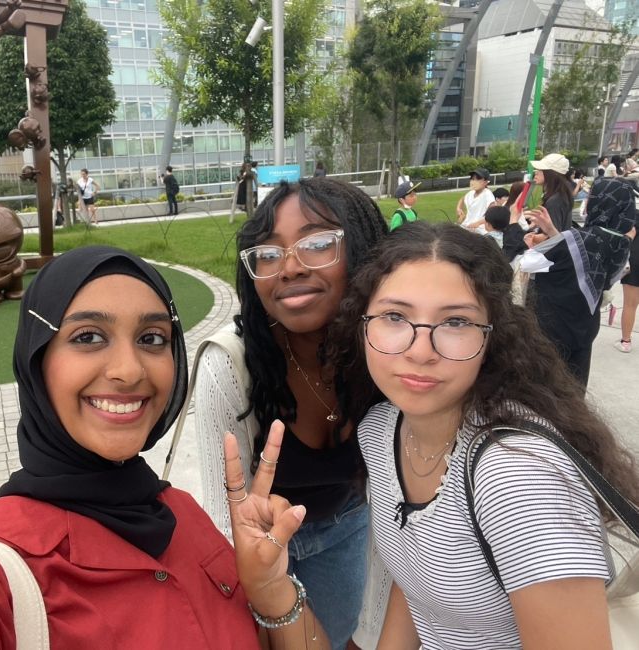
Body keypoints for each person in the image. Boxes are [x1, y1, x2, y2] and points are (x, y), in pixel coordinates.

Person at [0, 247, 282, 649]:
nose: (129, 371)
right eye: (88, 337)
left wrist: (271, 591)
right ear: (37, 360)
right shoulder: (1, 574)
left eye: (152, 338)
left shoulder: (182, 511)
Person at [327, 221, 639, 649]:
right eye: (395, 316)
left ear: (493, 335)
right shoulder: (381, 431)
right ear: (362, 324)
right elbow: (418, 582)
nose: (420, 351)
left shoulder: (518, 476)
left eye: (455, 321)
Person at [194, 177, 389, 649]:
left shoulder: (389, 350)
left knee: (338, 637)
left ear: (364, 253)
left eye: (318, 243)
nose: (290, 267)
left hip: (346, 524)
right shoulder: (231, 367)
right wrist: (259, 579)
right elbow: (226, 523)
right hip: (259, 544)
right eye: (268, 253)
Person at [520, 177, 636, 386]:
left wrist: (536, 244)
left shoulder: (582, 237)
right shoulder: (621, 240)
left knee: (547, 385)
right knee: (574, 382)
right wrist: (553, 232)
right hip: (585, 323)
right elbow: (578, 257)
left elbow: (530, 263)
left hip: (555, 322)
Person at [529, 153, 574, 232]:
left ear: (552, 174)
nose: (536, 173)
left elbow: (553, 236)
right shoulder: (560, 194)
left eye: (541, 170)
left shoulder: (554, 201)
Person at [615, 231, 639, 352]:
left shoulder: (633, 214)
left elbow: (630, 234)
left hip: (636, 258)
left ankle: (626, 342)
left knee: (630, 304)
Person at [456, 167, 494, 232]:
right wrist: (459, 208)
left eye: (478, 179)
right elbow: (462, 199)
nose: (473, 182)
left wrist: (478, 223)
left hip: (480, 229)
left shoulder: (487, 194)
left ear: (485, 182)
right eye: (472, 179)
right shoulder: (471, 193)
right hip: (466, 226)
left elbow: (493, 213)